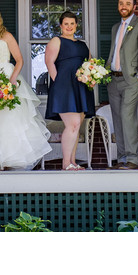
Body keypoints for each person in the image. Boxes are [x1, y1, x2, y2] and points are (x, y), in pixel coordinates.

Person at [0, 7, 51, 171]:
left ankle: (7, 161)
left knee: (6, 120)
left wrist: (11, 81)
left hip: (5, 77)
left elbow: (19, 60)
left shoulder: (6, 36)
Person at [44, 11, 94, 171]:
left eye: (72, 24)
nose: (69, 27)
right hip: (64, 88)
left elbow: (91, 64)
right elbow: (49, 63)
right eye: (66, 24)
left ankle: (72, 162)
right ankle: (66, 163)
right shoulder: (56, 41)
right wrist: (59, 85)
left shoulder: (82, 45)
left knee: (76, 126)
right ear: (61, 25)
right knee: (72, 124)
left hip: (81, 89)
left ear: (76, 25)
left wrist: (93, 79)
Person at [107, 0, 138, 170]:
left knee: (127, 116)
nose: (124, 6)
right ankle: (122, 159)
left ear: (134, 7)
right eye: (121, 3)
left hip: (131, 79)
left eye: (127, 3)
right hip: (113, 79)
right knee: (117, 119)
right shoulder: (115, 27)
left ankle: (133, 159)